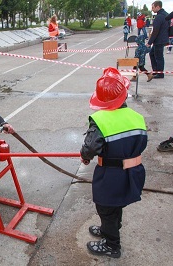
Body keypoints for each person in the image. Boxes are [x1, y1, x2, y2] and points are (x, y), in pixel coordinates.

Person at [80, 67, 147, 259]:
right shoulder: (137, 118)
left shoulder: (100, 120)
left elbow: (90, 147)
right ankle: (110, 228)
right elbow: (141, 143)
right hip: (133, 172)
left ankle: (112, 245)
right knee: (116, 205)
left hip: (111, 174)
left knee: (106, 207)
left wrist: (85, 156)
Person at [146, 1, 169, 79]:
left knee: (158, 56)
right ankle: (156, 71)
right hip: (163, 38)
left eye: (153, 7)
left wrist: (149, 42)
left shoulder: (159, 17)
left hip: (159, 40)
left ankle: (159, 73)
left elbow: (155, 31)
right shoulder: (166, 15)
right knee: (152, 54)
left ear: (158, 7)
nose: (152, 9)